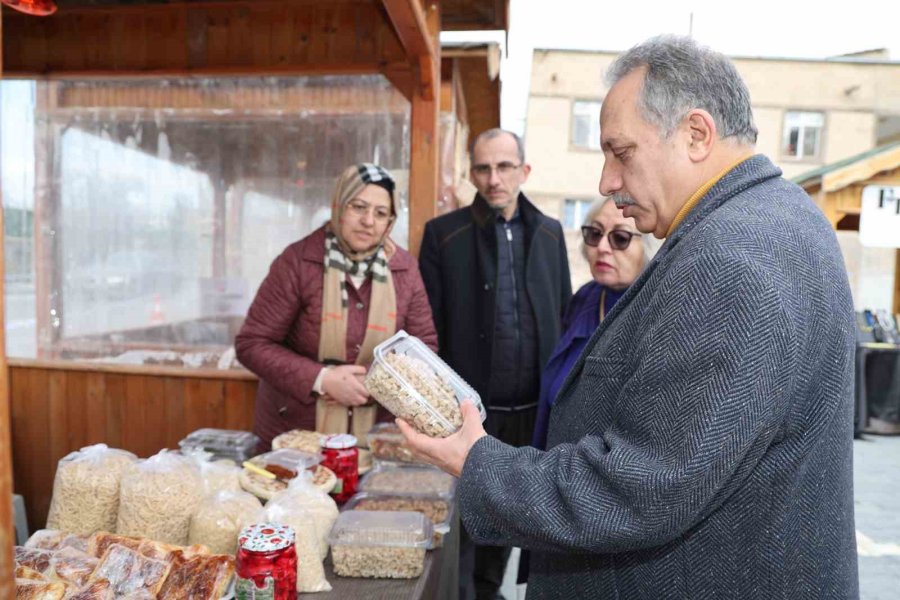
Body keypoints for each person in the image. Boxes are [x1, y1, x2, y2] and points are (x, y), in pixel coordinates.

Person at [401, 35, 859, 599]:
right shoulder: (783, 216)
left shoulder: (730, 257)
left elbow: (640, 487)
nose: (606, 183)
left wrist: (478, 461)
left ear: (696, 135)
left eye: (622, 152)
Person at [418, 128, 572, 600]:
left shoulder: (550, 233)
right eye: (483, 168)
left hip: (530, 412)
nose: (494, 178)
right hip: (467, 414)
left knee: (511, 521)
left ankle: (488, 593)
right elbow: (428, 333)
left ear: (524, 171)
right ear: (471, 173)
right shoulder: (444, 236)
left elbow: (563, 315)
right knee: (461, 525)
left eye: (505, 166)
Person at [236, 163, 437, 450]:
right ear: (338, 207)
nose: (368, 221)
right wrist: (323, 379)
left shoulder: (404, 269)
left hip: (376, 437)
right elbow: (252, 343)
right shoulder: (297, 261)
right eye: (358, 207)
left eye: (380, 213)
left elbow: (423, 346)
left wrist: (376, 382)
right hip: (298, 438)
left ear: (390, 222)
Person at [531, 198, 660, 451]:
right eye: (595, 233)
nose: (602, 247)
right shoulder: (586, 298)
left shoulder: (656, 315)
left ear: (649, 247)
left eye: (620, 238)